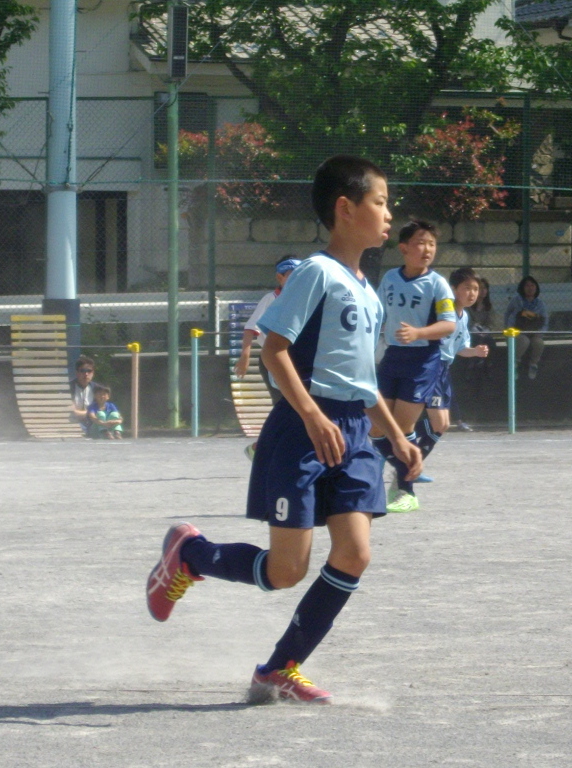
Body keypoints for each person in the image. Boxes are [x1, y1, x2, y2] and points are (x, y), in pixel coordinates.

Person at [146, 154, 421, 704]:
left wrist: (396, 437)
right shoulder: (316, 273)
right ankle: (190, 555)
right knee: (285, 570)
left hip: (354, 435)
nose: (389, 214)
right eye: (381, 202)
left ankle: (279, 667)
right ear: (346, 209)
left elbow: (364, 385)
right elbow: (275, 351)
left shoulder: (368, 291)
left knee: (354, 553)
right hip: (302, 430)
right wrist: (313, 415)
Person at [369, 220, 456, 514]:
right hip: (392, 357)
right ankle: (407, 468)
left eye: (432, 244)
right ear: (403, 248)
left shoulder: (438, 284)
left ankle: (406, 491)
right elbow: (377, 313)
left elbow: (449, 324)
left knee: (403, 427)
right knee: (375, 427)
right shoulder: (391, 278)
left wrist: (419, 333)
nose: (428, 249)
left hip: (423, 361)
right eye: (421, 243)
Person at [418, 268, 489, 460]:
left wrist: (475, 351)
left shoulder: (464, 316)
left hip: (443, 370)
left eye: (476, 289)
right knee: (439, 422)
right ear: (453, 289)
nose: (472, 293)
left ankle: (411, 460)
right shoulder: (442, 310)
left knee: (442, 424)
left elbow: (460, 348)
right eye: (467, 288)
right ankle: (406, 460)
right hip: (429, 367)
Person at [234, 256, 301, 460]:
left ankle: (273, 449)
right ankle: (263, 448)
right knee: (286, 407)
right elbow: (250, 328)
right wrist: (245, 355)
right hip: (273, 360)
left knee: (294, 407)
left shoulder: (303, 300)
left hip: (295, 360)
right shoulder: (271, 299)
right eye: (292, 275)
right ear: (280, 277)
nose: (298, 279)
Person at [504, 275, 548, 380]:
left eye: (532, 285)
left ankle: (533, 365)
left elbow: (545, 321)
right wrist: (508, 330)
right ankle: (515, 363)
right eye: (527, 286)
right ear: (522, 288)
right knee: (524, 341)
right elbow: (507, 314)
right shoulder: (516, 301)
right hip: (518, 332)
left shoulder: (540, 304)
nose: (530, 288)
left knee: (539, 343)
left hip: (534, 332)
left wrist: (541, 332)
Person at [69, 355, 100, 435]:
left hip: (93, 423)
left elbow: (101, 411)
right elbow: (72, 413)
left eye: (89, 371)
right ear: (77, 373)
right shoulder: (68, 389)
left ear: (93, 373)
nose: (86, 374)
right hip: (73, 424)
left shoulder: (98, 389)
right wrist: (91, 413)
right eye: (82, 371)